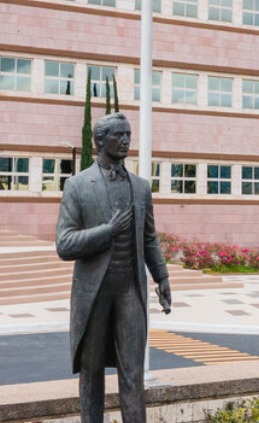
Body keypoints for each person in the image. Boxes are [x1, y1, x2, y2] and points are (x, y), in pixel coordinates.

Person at [55, 112, 170, 423]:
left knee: (133, 371)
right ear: (99, 141)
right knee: (91, 372)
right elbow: (64, 244)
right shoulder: (78, 185)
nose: (126, 140)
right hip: (93, 294)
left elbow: (149, 238)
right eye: (119, 135)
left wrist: (162, 276)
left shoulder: (140, 187)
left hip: (130, 290)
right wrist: (107, 231)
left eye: (128, 134)